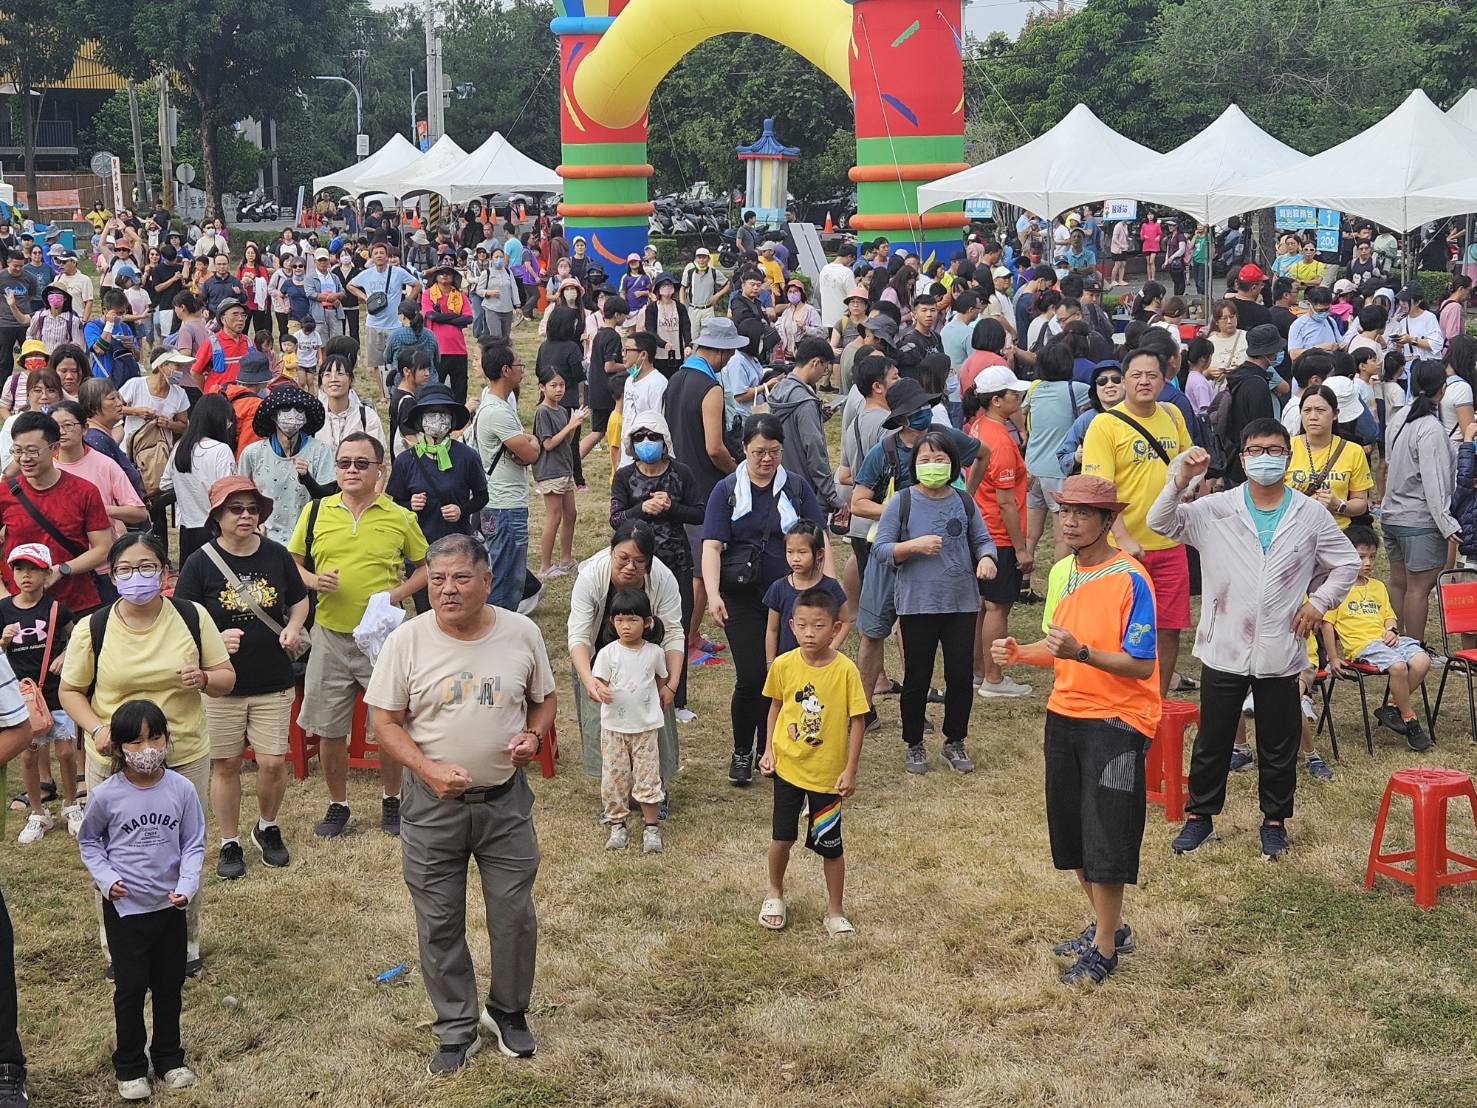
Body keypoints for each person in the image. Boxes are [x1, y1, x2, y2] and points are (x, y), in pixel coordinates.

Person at [365, 533, 552, 1073]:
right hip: (431, 806)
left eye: (461, 578)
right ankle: (455, 1026)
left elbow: (544, 700)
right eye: (437, 579)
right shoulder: (407, 640)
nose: (447, 590)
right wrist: (425, 769)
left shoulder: (522, 633)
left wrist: (534, 738)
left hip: (505, 804)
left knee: (514, 916)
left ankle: (509, 1011)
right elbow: (385, 723)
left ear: (487, 582)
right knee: (439, 920)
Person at [1149, 423, 1359, 861]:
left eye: (1276, 450)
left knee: (1278, 741)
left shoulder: (1310, 514)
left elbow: (1346, 563)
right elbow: (1161, 521)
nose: (1266, 457)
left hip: (1281, 646)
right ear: (1243, 459)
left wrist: (1319, 603)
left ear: (1288, 458)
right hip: (1224, 642)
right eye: (1256, 450)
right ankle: (1200, 817)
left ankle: (1274, 821)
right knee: (1214, 737)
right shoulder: (1216, 509)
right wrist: (1181, 480)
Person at [990, 474, 1159, 986]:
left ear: (1109, 521)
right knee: (1075, 835)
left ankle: (1104, 948)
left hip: (1117, 722)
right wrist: (1024, 654)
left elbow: (1141, 664)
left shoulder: (1130, 577)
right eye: (1066, 510)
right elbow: (1058, 644)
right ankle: (1111, 928)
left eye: (1084, 513)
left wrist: (1080, 653)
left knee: (1106, 836)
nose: (1070, 520)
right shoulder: (1065, 572)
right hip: (1064, 714)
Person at [59, 531, 235, 978]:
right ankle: (120, 950)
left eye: (146, 568)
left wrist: (205, 680)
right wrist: (97, 729)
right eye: (124, 569)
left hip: (182, 754)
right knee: (115, 854)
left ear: (164, 572)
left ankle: (185, 946)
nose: (135, 577)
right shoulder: (93, 627)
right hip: (114, 762)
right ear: (112, 574)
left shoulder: (191, 616)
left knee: (181, 851)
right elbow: (71, 691)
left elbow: (225, 676)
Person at [289, 432, 427, 838]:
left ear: (379, 470)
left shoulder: (400, 516)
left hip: (382, 639)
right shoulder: (316, 511)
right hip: (329, 635)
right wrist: (314, 580)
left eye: (361, 463)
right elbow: (291, 563)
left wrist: (396, 594)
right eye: (344, 462)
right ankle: (338, 803)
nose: (351, 470)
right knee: (330, 728)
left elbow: (424, 568)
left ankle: (392, 799)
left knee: (389, 723)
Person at [174, 477, 307, 879]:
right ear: (217, 516)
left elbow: (299, 600)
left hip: (273, 677)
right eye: (237, 509)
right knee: (227, 764)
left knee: (271, 763)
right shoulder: (200, 562)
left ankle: (267, 826)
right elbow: (183, 621)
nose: (246, 515)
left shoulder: (277, 555)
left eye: (253, 509)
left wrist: (293, 627)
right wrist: (213, 638)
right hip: (221, 683)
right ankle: (228, 840)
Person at [76, 699, 204, 1100]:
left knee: (170, 985)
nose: (146, 749)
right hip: (126, 910)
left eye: (155, 737)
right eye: (134, 741)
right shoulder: (106, 796)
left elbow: (194, 842)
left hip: (169, 908)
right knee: (130, 989)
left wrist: (187, 884)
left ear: (168, 738)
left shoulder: (181, 790)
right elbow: (90, 842)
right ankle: (130, 1064)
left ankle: (169, 1057)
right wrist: (107, 880)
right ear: (117, 748)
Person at [702, 414, 825, 786]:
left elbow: (819, 541)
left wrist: (827, 589)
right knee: (752, 677)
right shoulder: (726, 490)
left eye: (774, 452)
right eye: (758, 452)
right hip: (742, 596)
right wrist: (711, 594)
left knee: (784, 678)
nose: (766, 460)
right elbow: (711, 545)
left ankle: (771, 750)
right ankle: (742, 750)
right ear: (743, 450)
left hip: (791, 598)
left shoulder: (797, 489)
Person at [872, 430, 996, 774]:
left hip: (961, 603)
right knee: (917, 677)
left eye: (940, 459)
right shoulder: (903, 501)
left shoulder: (963, 501)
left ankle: (954, 741)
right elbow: (882, 549)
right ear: (915, 465)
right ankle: (914, 743)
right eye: (925, 459)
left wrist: (987, 558)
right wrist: (913, 546)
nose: (932, 465)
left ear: (953, 464)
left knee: (959, 676)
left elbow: (983, 540)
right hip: (917, 604)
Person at [1081, 349, 1193, 697]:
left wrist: (1192, 480)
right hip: (1122, 548)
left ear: (1165, 379)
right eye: (1136, 375)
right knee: (1118, 626)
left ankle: (1156, 697)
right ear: (1125, 380)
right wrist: (1123, 536)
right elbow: (1101, 489)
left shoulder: (1173, 415)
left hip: (1170, 542)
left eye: (1152, 375)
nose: (1144, 382)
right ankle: (1115, 694)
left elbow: (1185, 463)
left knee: (1169, 626)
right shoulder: (1105, 424)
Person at [756, 586, 867, 936]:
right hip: (788, 768)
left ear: (835, 628)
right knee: (781, 838)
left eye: (818, 626)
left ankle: (835, 910)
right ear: (791, 625)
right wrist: (769, 751)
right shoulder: (784, 665)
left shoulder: (846, 670)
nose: (809, 633)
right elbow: (774, 707)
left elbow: (858, 720)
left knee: (831, 846)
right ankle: (774, 892)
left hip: (827, 775)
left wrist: (850, 769)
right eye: (802, 625)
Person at [567, 520, 685, 796]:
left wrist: (671, 683)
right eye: (623, 558)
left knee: (654, 718)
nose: (630, 566)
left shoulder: (664, 579)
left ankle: (657, 788)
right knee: (604, 725)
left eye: (640, 561)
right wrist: (589, 681)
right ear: (611, 552)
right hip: (599, 659)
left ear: (650, 562)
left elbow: (674, 632)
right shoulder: (591, 576)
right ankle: (614, 791)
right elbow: (579, 636)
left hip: (648, 658)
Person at [609, 411, 703, 722]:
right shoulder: (624, 476)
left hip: (676, 561)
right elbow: (616, 518)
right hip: (636, 569)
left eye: (653, 436)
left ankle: (677, 698)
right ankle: (636, 690)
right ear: (630, 444)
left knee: (676, 627)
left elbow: (699, 513)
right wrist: (642, 510)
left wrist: (671, 507)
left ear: (665, 441)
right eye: (639, 437)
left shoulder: (681, 473)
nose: (647, 443)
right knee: (635, 627)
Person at [664, 317, 742, 658]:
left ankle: (689, 636)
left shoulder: (674, 379)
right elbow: (714, 447)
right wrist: (736, 471)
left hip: (678, 479)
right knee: (700, 572)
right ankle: (688, 639)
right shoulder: (711, 389)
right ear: (721, 352)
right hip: (705, 487)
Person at [1321, 525, 1433, 752]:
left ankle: (1392, 705)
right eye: (1361, 557)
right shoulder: (1337, 588)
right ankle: (1410, 719)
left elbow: (1389, 617)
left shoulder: (1378, 587)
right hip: (1362, 646)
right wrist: (1333, 658)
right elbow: (1327, 623)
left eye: (1372, 557)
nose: (1368, 563)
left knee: (1422, 661)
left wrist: (1391, 631)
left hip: (1386, 641)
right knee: (1399, 667)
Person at [2, 544, 82, 843]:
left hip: (54, 691)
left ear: (47, 573)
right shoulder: (3, 610)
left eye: (34, 569)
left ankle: (71, 804)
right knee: (28, 756)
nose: (26, 575)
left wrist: (66, 655)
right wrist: (4, 641)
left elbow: (77, 638)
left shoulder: (57, 609)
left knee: (65, 751)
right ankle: (37, 813)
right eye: (20, 569)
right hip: (22, 696)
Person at [0, 409, 113, 615]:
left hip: (76, 603)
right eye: (17, 451)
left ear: (54, 449)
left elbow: (103, 549)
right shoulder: (5, 493)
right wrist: (4, 595)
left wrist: (63, 570)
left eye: (33, 451)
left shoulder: (84, 491)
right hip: (19, 607)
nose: (24, 458)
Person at [1382, 360, 1461, 646]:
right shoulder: (1431, 429)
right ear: (1443, 389)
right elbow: (1435, 483)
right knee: (1418, 588)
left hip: (1392, 516)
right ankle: (1414, 649)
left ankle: (1395, 641)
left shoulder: (1399, 418)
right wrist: (1446, 523)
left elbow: (1389, 462)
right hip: (1418, 520)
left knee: (1399, 583)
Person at [968, 365, 1034, 698]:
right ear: (996, 400)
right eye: (1013, 394)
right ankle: (994, 678)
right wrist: (1021, 549)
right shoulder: (1002, 443)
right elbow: (1006, 502)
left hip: (982, 531)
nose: (1019, 399)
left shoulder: (977, 427)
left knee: (984, 604)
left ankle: (980, 671)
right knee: (998, 606)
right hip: (999, 535)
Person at [590, 587, 670, 853]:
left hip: (646, 727)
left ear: (647, 623)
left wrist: (662, 693)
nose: (626, 626)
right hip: (614, 728)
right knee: (615, 777)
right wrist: (600, 690)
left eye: (633, 620)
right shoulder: (607, 654)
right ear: (612, 622)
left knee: (648, 777)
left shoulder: (654, 652)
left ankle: (651, 827)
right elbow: (597, 683)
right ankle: (617, 825)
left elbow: (661, 678)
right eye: (620, 620)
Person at [472, 343, 540, 612]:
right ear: (505, 370)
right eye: (519, 365)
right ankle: (496, 630)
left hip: (500, 503)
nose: (522, 370)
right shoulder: (498, 412)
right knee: (506, 579)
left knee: (505, 571)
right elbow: (530, 453)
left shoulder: (493, 404)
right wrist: (531, 443)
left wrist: (529, 444)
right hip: (505, 506)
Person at [1021, 341, 1090, 567]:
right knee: (1062, 535)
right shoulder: (1075, 389)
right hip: (1058, 470)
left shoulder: (1035, 388)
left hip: (1031, 467)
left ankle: (1024, 582)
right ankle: (1059, 584)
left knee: (1031, 534)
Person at [766, 339, 841, 514]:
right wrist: (831, 495)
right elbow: (815, 451)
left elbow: (790, 428)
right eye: (824, 368)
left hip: (781, 482)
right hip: (805, 492)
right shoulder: (805, 403)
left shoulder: (780, 389)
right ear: (815, 362)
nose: (824, 374)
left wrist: (819, 417)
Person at [161, 395, 238, 565]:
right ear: (217, 420)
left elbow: (165, 483)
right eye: (227, 420)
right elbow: (230, 492)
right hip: (215, 529)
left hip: (187, 529)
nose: (229, 425)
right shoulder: (221, 450)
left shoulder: (181, 446)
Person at [1285, 385, 1373, 530]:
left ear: (1335, 414)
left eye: (1320, 410)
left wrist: (1338, 505)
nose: (1313, 416)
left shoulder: (1353, 451)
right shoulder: (1287, 448)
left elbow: (1361, 503)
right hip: (1294, 531)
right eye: (1307, 410)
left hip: (1337, 534)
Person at [763, 518, 849, 664]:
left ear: (820, 553)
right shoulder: (778, 588)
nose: (795, 558)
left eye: (802, 552)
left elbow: (845, 621)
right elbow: (772, 630)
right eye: (790, 552)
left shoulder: (831, 587)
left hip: (822, 665)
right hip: (788, 665)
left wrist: (832, 649)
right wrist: (771, 663)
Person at [1216, 324, 1283, 486]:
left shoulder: (1238, 376)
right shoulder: (1257, 385)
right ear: (1268, 353)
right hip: (1251, 464)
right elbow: (1262, 430)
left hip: (1233, 457)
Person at [349, 242, 421, 387]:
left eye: (382, 253)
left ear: (387, 256)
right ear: (371, 257)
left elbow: (416, 285)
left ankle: (397, 389)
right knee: (376, 363)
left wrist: (406, 303)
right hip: (373, 324)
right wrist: (365, 297)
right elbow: (350, 285)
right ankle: (383, 393)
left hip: (394, 324)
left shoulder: (398, 272)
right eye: (375, 253)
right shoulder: (366, 274)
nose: (379, 256)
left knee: (397, 360)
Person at [316, 354, 387, 457]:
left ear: (351, 380)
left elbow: (379, 457)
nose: (333, 379)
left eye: (340, 373)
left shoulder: (367, 416)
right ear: (321, 382)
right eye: (327, 375)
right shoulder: (315, 417)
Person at [421, 265, 473, 404]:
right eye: (441, 273)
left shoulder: (460, 295)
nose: (444, 276)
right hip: (438, 349)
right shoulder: (428, 294)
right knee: (436, 388)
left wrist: (442, 316)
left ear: (453, 277)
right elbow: (431, 316)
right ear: (436, 276)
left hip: (459, 349)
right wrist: (455, 317)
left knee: (460, 389)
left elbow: (468, 318)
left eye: (448, 273)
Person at [617, 332, 666, 470]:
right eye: (623, 349)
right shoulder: (629, 381)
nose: (623, 354)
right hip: (626, 460)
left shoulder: (658, 383)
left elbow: (658, 424)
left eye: (628, 350)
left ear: (643, 354)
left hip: (645, 459)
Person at [192, 299, 253, 395]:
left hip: (242, 399)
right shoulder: (212, 343)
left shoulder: (249, 342)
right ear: (223, 319)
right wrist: (208, 392)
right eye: (235, 315)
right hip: (219, 402)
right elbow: (195, 372)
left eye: (243, 315)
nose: (241, 319)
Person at [679, 248, 729, 334]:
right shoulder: (690, 273)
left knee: (708, 337)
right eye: (699, 257)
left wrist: (717, 296)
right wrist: (682, 302)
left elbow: (727, 284)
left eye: (704, 257)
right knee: (692, 337)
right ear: (696, 259)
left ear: (708, 258)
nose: (701, 260)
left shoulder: (714, 272)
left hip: (708, 310)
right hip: (693, 309)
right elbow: (682, 288)